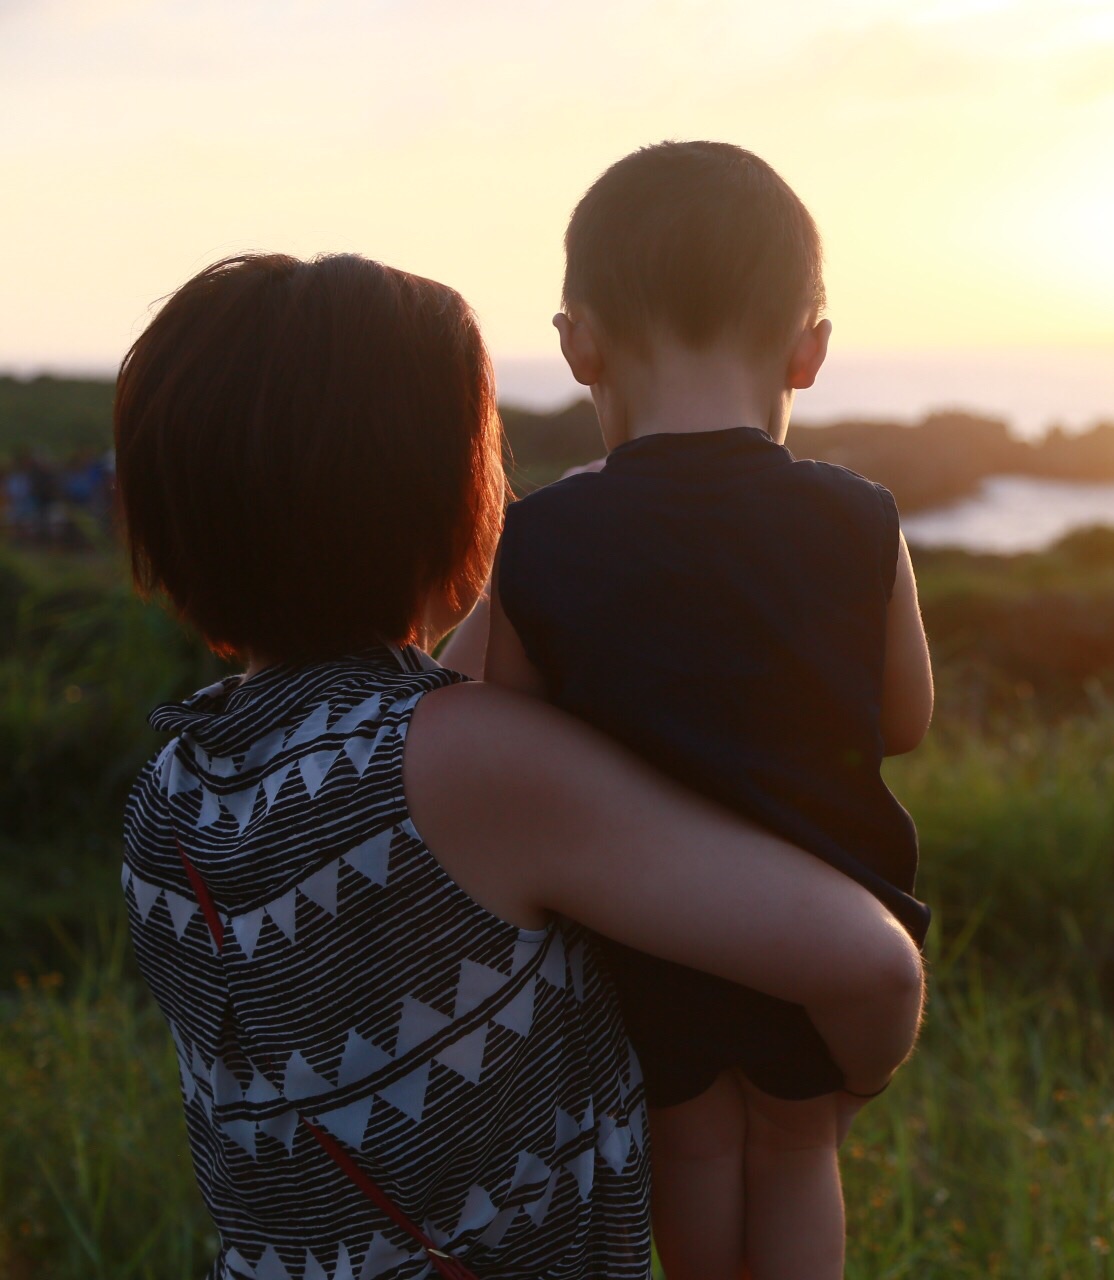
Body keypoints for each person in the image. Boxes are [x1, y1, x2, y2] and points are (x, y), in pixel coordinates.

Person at [114, 252, 923, 1280]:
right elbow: (872, 961)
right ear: (443, 490)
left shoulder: (172, 792)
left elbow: (397, 741)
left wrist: (549, 565)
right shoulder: (475, 769)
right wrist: (839, 1092)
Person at [454, 140, 935, 1280]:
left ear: (578, 345)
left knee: (697, 1136)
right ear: (810, 350)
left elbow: (480, 713)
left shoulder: (548, 536)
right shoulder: (859, 518)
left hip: (644, 926)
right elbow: (905, 716)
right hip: (825, 908)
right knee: (794, 1139)